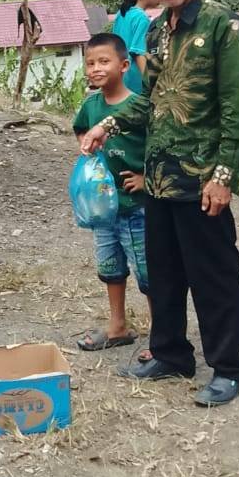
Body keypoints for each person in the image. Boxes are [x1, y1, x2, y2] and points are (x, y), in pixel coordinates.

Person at [80, 0, 239, 407]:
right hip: (158, 174)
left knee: (214, 274)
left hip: (201, 177)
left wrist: (224, 176)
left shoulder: (221, 26)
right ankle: (172, 354)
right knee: (166, 270)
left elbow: (235, 110)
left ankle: (230, 368)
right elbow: (152, 102)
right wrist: (107, 125)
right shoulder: (155, 32)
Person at [73, 33, 151, 352]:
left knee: (148, 272)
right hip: (103, 208)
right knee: (110, 267)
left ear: (124, 65)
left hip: (136, 206)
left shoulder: (138, 106)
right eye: (90, 63)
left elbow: (157, 145)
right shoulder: (91, 105)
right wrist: (88, 156)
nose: (95, 68)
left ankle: (162, 334)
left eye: (104, 61)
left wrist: (146, 177)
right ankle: (117, 326)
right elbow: (80, 128)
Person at [113, 0, 156, 94]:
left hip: (120, 79)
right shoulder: (142, 18)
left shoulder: (121, 14)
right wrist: (149, 85)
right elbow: (138, 52)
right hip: (135, 82)